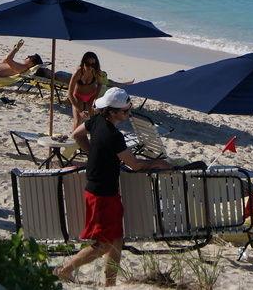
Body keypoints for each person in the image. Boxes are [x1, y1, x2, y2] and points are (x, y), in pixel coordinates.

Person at [57, 89, 173, 285]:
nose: (128, 114)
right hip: (103, 195)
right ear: (112, 112)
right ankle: (64, 270)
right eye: (126, 111)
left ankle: (109, 283)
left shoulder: (96, 121)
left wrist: (92, 151)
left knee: (117, 239)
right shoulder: (114, 135)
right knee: (103, 245)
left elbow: (77, 134)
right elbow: (134, 165)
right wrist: (156, 164)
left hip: (100, 190)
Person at [68, 51, 108, 131]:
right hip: (78, 96)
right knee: (78, 120)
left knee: (93, 119)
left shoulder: (95, 72)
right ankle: (74, 139)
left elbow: (100, 84)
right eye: (87, 64)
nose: (90, 67)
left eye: (93, 64)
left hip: (91, 97)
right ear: (83, 62)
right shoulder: (78, 73)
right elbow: (69, 93)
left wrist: (96, 98)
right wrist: (80, 111)